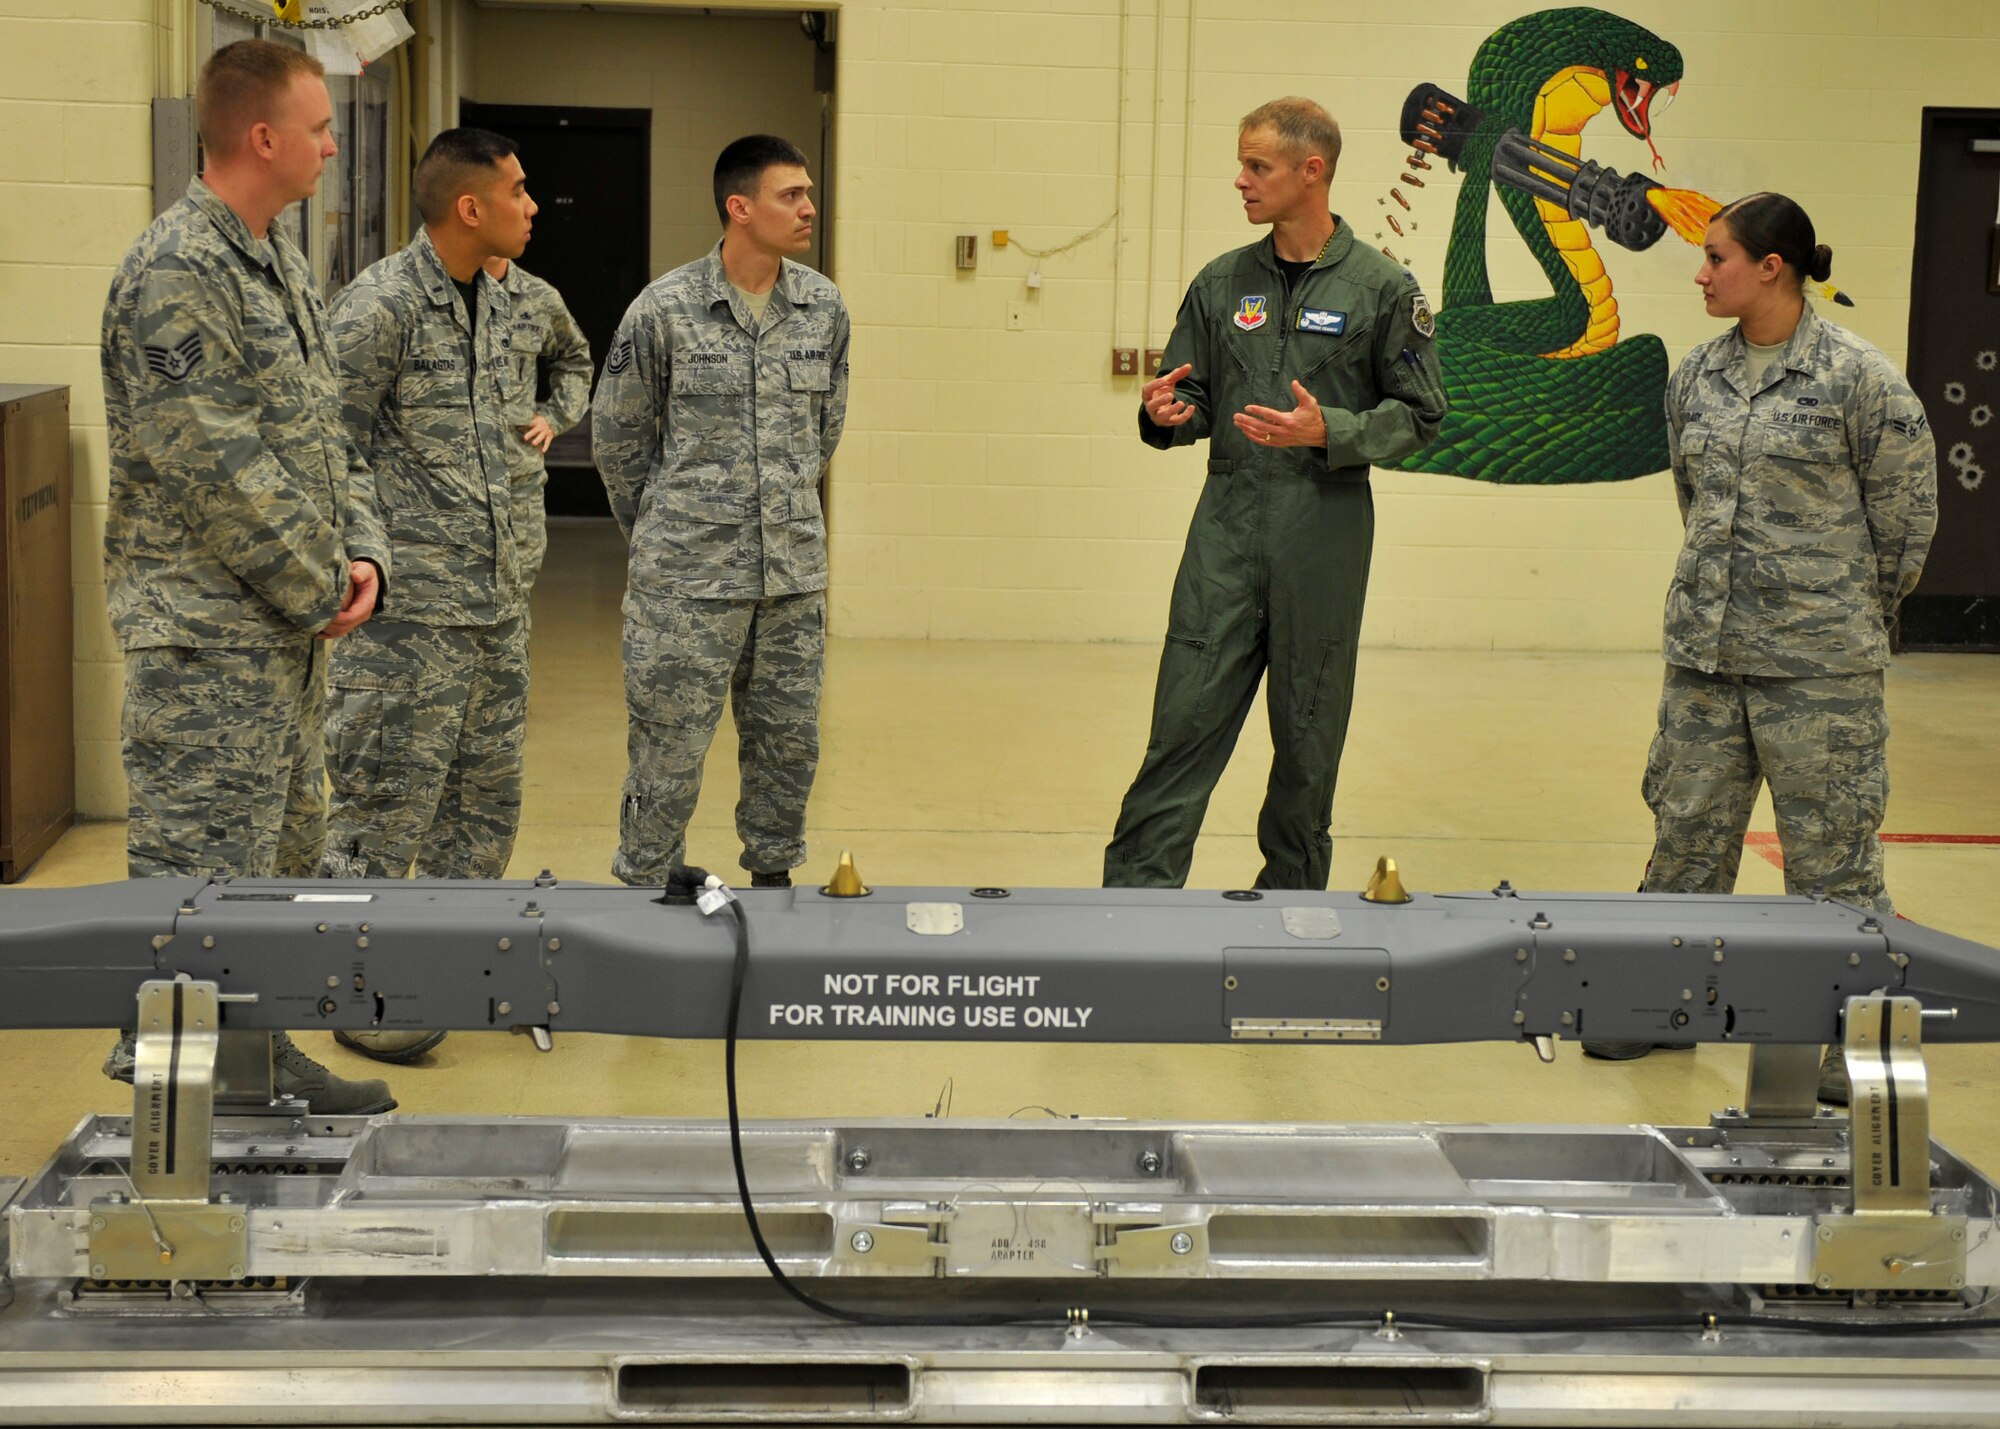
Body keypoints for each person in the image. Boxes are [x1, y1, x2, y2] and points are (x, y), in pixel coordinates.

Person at [99, 39, 394, 1115]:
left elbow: (327, 436)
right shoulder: (177, 271)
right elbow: (219, 465)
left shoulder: (280, 261)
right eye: (319, 128)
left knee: (275, 871)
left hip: (281, 636)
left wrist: (364, 553)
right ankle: (173, 1115)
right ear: (262, 137)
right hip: (208, 644)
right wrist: (322, 581)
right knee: (196, 885)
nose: (330, 145)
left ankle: (259, 1062)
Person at [1585, 192, 1938, 1085]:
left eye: (1715, 258)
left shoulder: (1860, 378)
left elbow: (1905, 522)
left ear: (1770, 267)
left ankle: (1845, 1042)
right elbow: (1694, 501)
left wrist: (1840, 612)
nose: (1701, 274)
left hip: (1820, 667)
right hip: (1706, 658)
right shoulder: (1696, 376)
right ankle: (1660, 1006)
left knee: (1833, 862)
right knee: (1685, 839)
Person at [1103, 97, 1447, 891]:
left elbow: (1422, 415)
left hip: (1319, 547)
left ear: (1311, 171)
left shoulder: (1384, 291)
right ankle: (1129, 922)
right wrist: (1166, 414)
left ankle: (1292, 928)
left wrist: (1329, 432)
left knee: (1306, 757)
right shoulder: (1222, 284)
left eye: (1257, 166)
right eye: (1243, 163)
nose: (1241, 181)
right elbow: (1193, 398)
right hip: (1222, 548)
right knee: (1176, 740)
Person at [319, 129, 537, 1064]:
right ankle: (346, 990)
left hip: (495, 606)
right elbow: (331, 449)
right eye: (520, 191)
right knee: (380, 813)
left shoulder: (504, 299)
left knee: (482, 809)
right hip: (407, 619)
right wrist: (366, 559)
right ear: (470, 207)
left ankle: (441, 979)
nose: (535, 205)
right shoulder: (380, 307)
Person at [593, 134, 848, 888]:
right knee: (668, 751)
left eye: (807, 192)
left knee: (788, 747)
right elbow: (618, 442)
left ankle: (773, 890)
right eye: (789, 194)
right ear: (740, 208)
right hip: (686, 584)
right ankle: (643, 892)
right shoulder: (665, 310)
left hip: (791, 578)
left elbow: (824, 430)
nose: (808, 207)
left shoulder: (822, 306)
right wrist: (675, 532)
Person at [483, 252, 592, 587]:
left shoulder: (538, 296)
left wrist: (555, 417)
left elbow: (574, 357)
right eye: (517, 197)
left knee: (512, 598)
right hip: (444, 490)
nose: (530, 212)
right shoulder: (438, 292)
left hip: (515, 484)